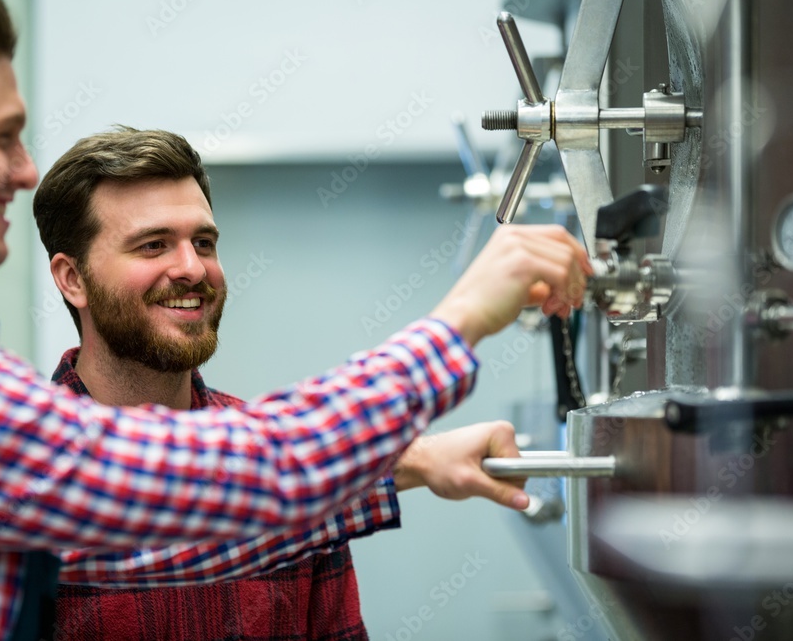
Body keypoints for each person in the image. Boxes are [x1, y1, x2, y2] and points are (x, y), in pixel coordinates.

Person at [0, 0, 592, 640]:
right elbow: (209, 486)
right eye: (4, 135)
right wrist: (458, 321)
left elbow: (158, 510)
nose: (24, 167)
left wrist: (402, 461)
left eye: (203, 240)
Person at [33, 126, 551, 640]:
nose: (193, 268)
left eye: (205, 242)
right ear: (72, 279)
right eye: (152, 246)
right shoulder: (21, 463)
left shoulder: (300, 468)